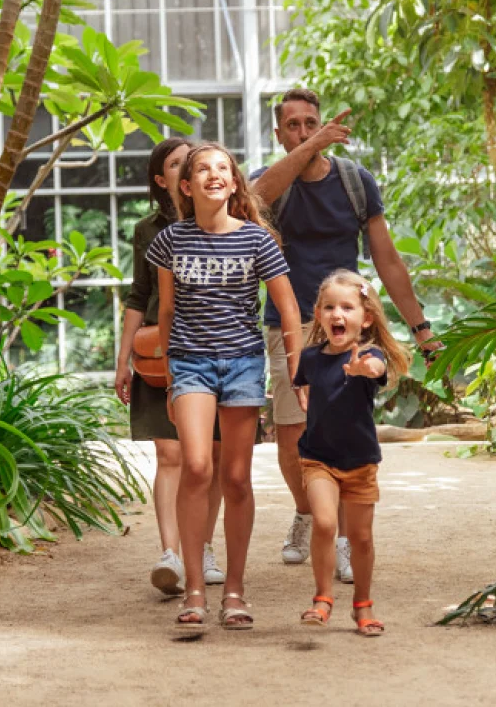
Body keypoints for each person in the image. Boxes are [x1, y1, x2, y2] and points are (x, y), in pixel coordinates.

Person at [252, 88, 442, 580]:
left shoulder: (356, 183)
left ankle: (335, 536)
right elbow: (252, 202)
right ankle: (307, 514)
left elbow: (388, 260)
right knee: (293, 431)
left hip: (347, 323)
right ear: (279, 134)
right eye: (292, 125)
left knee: (341, 430)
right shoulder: (272, 184)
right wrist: (304, 152)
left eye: (310, 123)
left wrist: (420, 329)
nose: (303, 131)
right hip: (290, 324)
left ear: (323, 124)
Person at [147, 142, 302, 632]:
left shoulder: (257, 240)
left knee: (235, 478)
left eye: (222, 168)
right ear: (186, 187)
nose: (214, 175)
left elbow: (290, 310)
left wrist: (298, 373)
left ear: (234, 182)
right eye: (202, 170)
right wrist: (170, 374)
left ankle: (234, 591)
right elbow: (167, 312)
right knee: (195, 466)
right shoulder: (171, 240)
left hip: (242, 367)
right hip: (190, 364)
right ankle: (194, 589)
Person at [115, 138, 225, 596]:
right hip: (160, 355)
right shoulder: (148, 229)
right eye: (179, 163)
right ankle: (170, 554)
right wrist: (123, 360)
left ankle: (202, 545)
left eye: (193, 161)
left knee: (212, 459)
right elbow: (139, 295)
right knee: (170, 455)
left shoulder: (224, 217)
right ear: (163, 179)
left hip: (215, 349)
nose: (190, 169)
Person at [292, 270, 410, 636]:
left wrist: (362, 368)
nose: (336, 314)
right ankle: (322, 599)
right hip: (318, 459)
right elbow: (305, 390)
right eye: (329, 307)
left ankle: (363, 604)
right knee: (325, 523)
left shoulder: (370, 353)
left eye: (347, 307)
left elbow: (376, 367)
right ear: (320, 314)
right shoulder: (311, 357)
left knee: (361, 539)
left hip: (360, 463)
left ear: (367, 317)